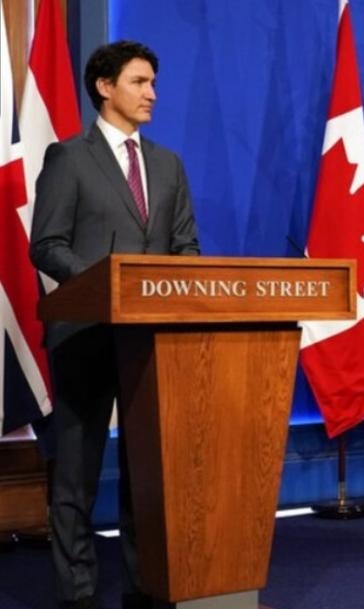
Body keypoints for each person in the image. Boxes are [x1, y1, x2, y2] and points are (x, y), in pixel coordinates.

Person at [29, 41, 200, 609]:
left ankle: (144, 584)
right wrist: (107, 288)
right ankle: (77, 593)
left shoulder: (168, 164)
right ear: (105, 87)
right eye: (139, 82)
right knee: (77, 473)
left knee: (147, 471)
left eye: (153, 83)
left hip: (151, 341)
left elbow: (186, 248)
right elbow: (46, 244)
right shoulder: (69, 158)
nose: (152, 94)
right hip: (85, 334)